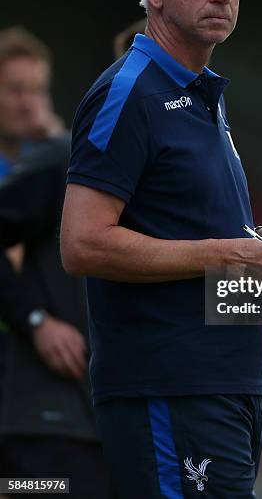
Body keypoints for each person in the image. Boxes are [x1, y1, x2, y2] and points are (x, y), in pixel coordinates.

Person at [61, 0, 262, 498]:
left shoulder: (199, 95)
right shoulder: (130, 92)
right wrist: (227, 251)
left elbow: (178, 225)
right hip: (171, 386)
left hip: (226, 380)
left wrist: (254, 237)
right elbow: (83, 242)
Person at [0, 27, 116, 498]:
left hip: (45, 393)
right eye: (14, 90)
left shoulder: (57, 166)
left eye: (38, 90)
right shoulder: (47, 171)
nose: (29, 103)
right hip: (33, 404)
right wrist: (34, 319)